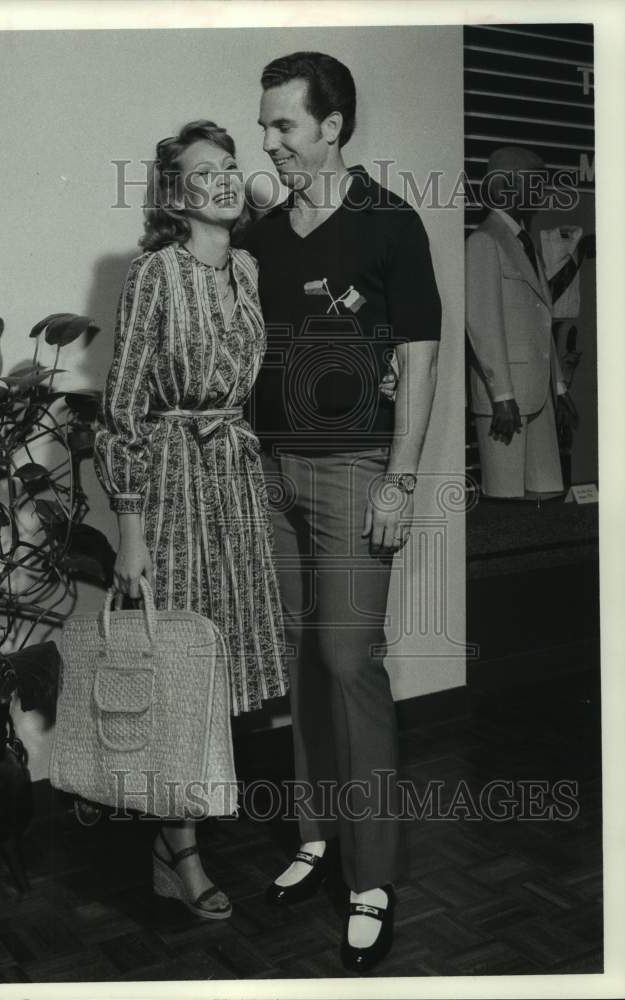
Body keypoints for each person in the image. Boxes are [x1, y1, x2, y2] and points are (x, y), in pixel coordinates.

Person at [242, 52, 441, 973]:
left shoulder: (390, 222)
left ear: (332, 126)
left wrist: (400, 479)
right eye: (265, 122)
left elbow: (423, 358)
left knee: (347, 662)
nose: (269, 139)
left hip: (357, 467)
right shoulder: (268, 233)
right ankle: (316, 837)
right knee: (303, 666)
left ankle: (372, 877)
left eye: (284, 123)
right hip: (273, 471)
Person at [93, 120, 288, 921]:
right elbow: (121, 409)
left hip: (232, 482)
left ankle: (181, 833)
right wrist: (131, 531)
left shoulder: (246, 267)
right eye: (200, 170)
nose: (221, 178)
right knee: (177, 670)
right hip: (170, 485)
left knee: (220, 671)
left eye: (229, 165)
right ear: (173, 194)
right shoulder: (153, 273)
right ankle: (177, 853)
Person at [465, 145, 582, 499]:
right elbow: (482, 326)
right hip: (506, 401)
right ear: (504, 188)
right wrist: (502, 395)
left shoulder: (524, 241)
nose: (542, 193)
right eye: (534, 184)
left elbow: (539, 319)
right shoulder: (483, 241)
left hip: (540, 395)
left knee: (545, 494)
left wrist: (559, 387)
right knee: (506, 500)